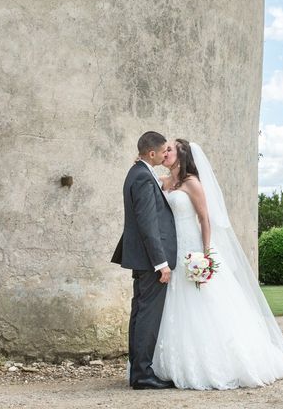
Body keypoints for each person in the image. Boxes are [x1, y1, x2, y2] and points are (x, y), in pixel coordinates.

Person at [151, 138, 283, 390]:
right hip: (173, 249)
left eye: (170, 149)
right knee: (177, 303)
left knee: (207, 303)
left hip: (193, 249)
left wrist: (204, 255)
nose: (166, 152)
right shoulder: (164, 181)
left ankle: (217, 362)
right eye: (165, 149)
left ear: (182, 156)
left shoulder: (192, 183)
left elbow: (204, 219)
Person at [111, 131, 177, 390]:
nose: (165, 155)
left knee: (139, 313)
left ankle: (138, 372)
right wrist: (161, 263)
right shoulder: (142, 177)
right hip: (151, 262)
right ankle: (142, 374)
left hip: (142, 259)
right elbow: (148, 224)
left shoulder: (138, 173)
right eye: (162, 152)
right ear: (152, 153)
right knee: (147, 315)